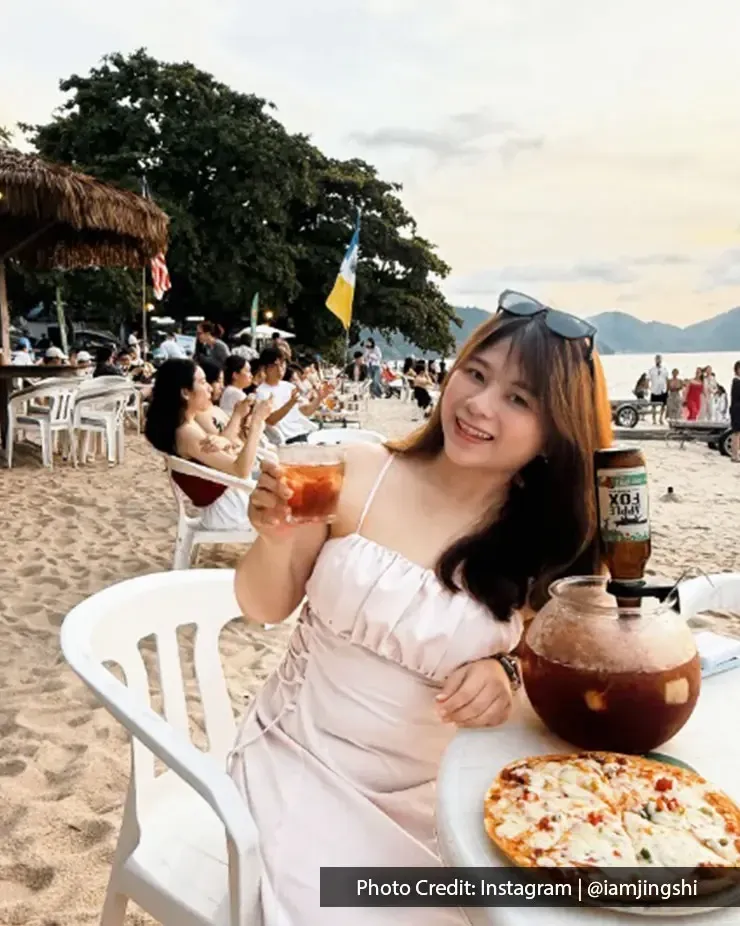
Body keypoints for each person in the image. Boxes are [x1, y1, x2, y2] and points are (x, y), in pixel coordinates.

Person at [227, 290, 612, 924]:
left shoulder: (549, 547)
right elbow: (263, 606)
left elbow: (558, 682)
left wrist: (505, 671)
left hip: (445, 801)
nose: (479, 406)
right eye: (476, 374)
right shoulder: (355, 470)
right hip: (297, 764)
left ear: (554, 431)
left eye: (519, 399)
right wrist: (274, 539)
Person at [144, 359, 272, 530]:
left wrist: (227, 439)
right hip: (231, 510)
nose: (210, 388)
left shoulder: (185, 426)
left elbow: (227, 458)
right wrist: (257, 423)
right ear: (185, 393)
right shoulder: (186, 432)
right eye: (203, 382)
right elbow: (241, 470)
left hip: (227, 503)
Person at [257, 347, 331, 444]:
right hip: (289, 440)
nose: (280, 369)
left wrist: (320, 397)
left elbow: (306, 411)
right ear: (264, 368)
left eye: (282, 364)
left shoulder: (288, 386)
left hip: (305, 432)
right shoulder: (261, 392)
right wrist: (290, 403)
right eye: (274, 366)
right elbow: (270, 420)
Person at [648, 354, 668, 424]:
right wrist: (648, 387)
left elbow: (666, 379)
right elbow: (648, 379)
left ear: (661, 360)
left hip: (663, 389)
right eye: (657, 359)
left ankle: (660, 418)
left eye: (659, 359)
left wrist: (667, 388)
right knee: (654, 405)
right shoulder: (651, 370)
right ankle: (654, 419)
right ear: (655, 360)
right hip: (654, 389)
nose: (658, 360)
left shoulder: (664, 369)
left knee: (663, 405)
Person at [730, 360, 740, 463]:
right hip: (737, 410)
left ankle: (736, 453)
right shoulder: (736, 382)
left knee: (737, 434)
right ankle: (734, 455)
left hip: (736, 408)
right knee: (736, 433)